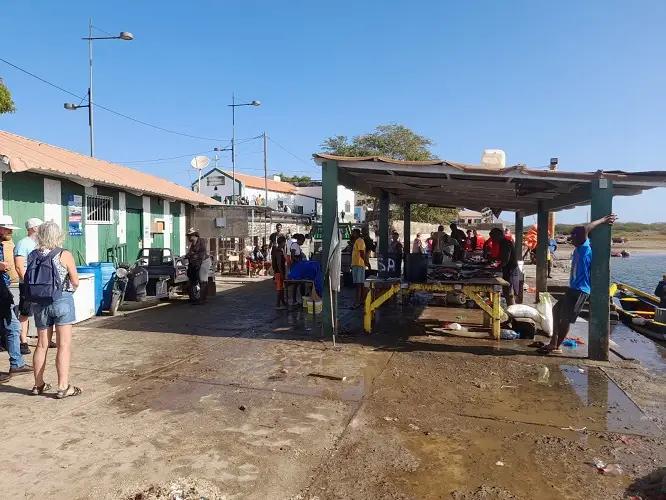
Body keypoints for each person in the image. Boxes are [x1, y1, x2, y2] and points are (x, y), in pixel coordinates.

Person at [540, 214, 617, 355]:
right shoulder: (577, 250)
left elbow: (584, 229)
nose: (571, 239)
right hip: (573, 288)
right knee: (556, 310)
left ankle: (556, 346)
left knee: (566, 319)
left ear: (580, 237)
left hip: (581, 289)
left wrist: (602, 220)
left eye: (573, 236)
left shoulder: (584, 248)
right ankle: (554, 342)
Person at [28, 221, 80, 398]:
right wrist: (69, 292)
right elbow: (75, 281)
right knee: (63, 345)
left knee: (42, 345)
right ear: (59, 235)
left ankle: (38, 384)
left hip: (39, 302)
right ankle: (62, 386)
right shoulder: (64, 254)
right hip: (61, 300)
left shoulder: (33, 255)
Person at [0, 215, 31, 382]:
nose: (9, 231)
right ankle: (16, 363)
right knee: (12, 326)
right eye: (6, 228)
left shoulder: (4, 244)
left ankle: (17, 363)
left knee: (12, 326)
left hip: (3, 291)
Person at [14, 218, 51, 355]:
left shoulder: (40, 244)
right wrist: (28, 283)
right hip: (28, 284)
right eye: (40, 227)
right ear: (35, 228)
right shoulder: (23, 244)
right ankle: (23, 341)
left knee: (44, 310)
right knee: (25, 312)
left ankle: (46, 338)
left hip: (41, 284)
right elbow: (19, 266)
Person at [489, 228, 522, 306]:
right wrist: (493, 258)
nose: (493, 240)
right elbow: (501, 256)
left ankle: (512, 312)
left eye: (493, 237)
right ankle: (509, 310)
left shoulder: (505, 243)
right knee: (507, 292)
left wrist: (496, 268)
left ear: (498, 235)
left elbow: (505, 260)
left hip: (511, 270)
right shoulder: (502, 243)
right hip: (507, 270)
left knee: (509, 293)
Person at [185, 228, 210, 304]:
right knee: (194, 279)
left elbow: (197, 251)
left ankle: (202, 299)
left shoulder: (200, 241)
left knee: (203, 280)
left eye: (189, 236)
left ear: (193, 236)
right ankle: (195, 297)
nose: (188, 238)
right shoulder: (193, 243)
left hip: (204, 262)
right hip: (197, 263)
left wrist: (189, 254)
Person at [351, 228, 370, 308]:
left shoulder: (359, 241)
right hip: (356, 264)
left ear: (356, 234)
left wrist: (366, 262)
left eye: (353, 233)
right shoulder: (357, 241)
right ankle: (362, 299)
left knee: (359, 284)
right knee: (360, 284)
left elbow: (362, 253)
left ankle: (357, 302)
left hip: (359, 265)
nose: (352, 234)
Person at [290, 234, 307, 305]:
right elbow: (292, 256)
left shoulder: (298, 247)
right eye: (302, 242)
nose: (302, 243)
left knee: (301, 282)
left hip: (298, 266)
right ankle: (294, 300)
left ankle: (303, 298)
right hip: (295, 266)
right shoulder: (294, 245)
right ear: (299, 240)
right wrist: (299, 261)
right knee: (296, 283)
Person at [272, 235, 288, 310]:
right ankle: (277, 304)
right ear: (282, 243)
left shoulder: (278, 250)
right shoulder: (278, 252)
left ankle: (283, 302)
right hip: (279, 272)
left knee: (281, 288)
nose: (285, 244)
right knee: (279, 288)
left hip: (279, 271)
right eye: (284, 242)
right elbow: (279, 263)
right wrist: (281, 273)